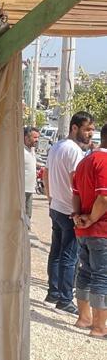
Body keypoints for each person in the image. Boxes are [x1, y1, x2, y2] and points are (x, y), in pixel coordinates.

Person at [44, 111, 94, 314]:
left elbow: (46, 175)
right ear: (74, 127)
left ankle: (53, 292)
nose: (90, 133)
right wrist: (78, 212)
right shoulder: (73, 151)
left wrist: (50, 199)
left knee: (56, 252)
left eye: (92, 129)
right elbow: (78, 182)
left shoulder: (57, 147)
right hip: (68, 210)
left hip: (57, 206)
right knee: (69, 256)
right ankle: (65, 299)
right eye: (87, 129)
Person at [72, 123, 107, 337]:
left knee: (84, 272)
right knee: (102, 276)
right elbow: (103, 197)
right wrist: (92, 219)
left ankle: (83, 318)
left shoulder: (85, 160)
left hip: (83, 230)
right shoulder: (104, 162)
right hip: (101, 229)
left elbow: (75, 193)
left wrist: (78, 217)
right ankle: (99, 326)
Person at [24, 126, 40, 222]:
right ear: (26, 138)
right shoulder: (20, 151)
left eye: (38, 137)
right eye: (35, 137)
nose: (37, 140)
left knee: (28, 216)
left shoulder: (31, 150)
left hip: (30, 190)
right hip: (22, 190)